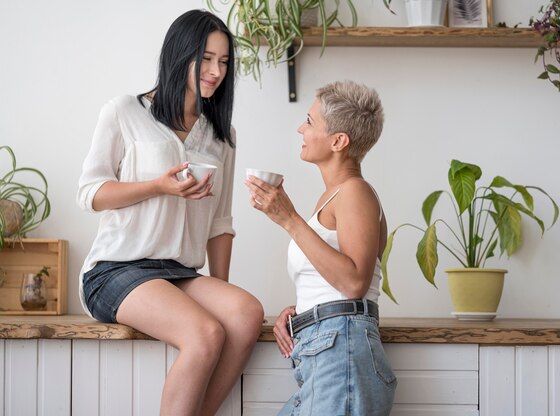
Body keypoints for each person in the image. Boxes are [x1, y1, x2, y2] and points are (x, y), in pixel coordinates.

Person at [77, 10, 264, 416]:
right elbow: (91, 194)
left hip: (178, 273)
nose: (216, 71)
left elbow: (220, 223)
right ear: (181, 54)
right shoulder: (125, 112)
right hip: (116, 269)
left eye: (225, 61)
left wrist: (220, 291)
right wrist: (158, 186)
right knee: (205, 333)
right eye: (207, 58)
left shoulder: (222, 136)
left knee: (246, 313)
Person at [244, 80, 397, 415]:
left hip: (340, 350)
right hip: (326, 347)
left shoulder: (355, 192)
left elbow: (355, 282)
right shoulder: (332, 198)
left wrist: (289, 219)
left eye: (310, 122)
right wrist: (304, 311)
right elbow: (335, 280)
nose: (301, 128)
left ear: (338, 141)